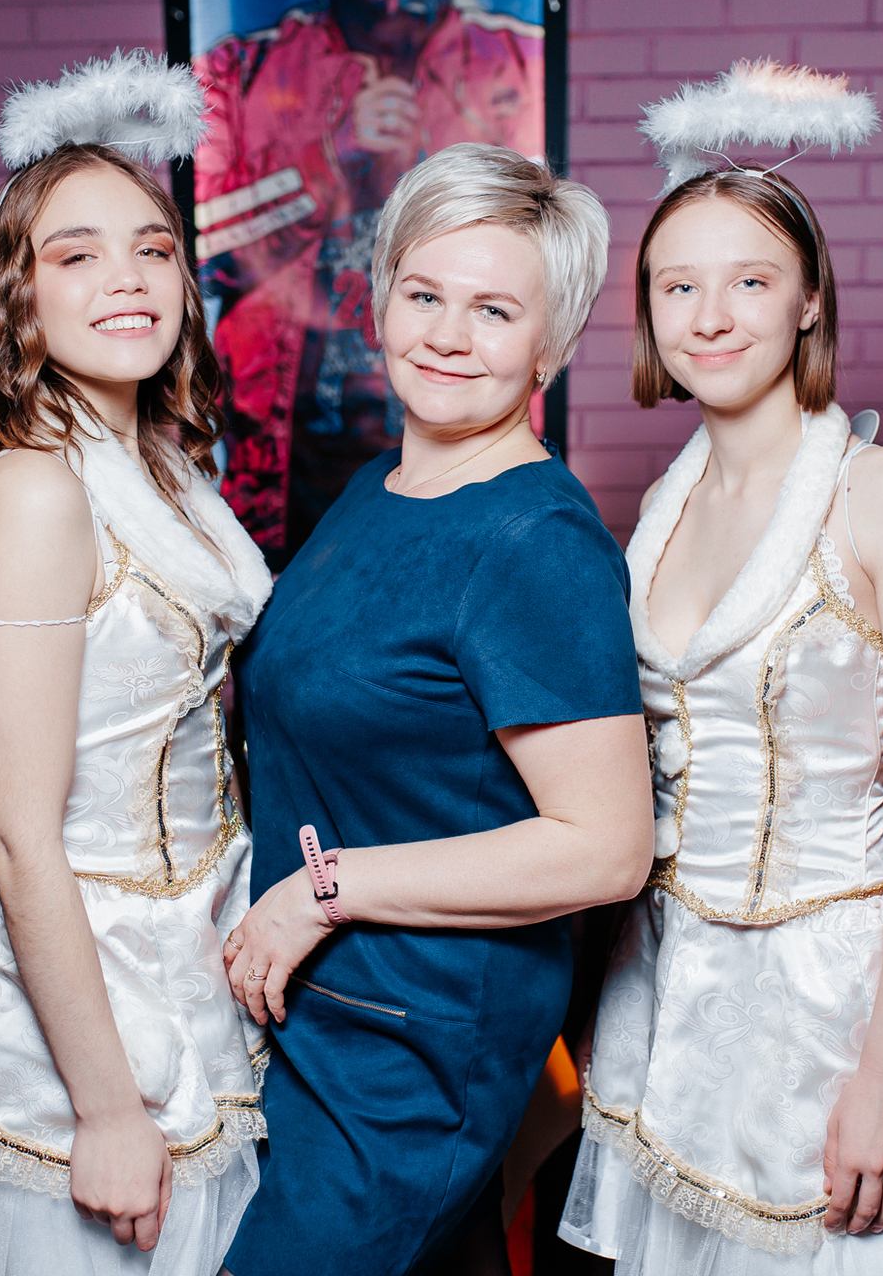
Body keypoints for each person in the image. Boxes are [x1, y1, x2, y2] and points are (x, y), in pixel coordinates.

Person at [556, 164, 883, 1274]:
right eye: (677, 285)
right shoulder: (663, 508)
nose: (709, 316)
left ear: (809, 301)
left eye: (750, 280)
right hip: (677, 991)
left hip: (844, 996)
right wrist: (616, 987)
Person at [217, 143, 652, 1275]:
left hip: (409, 1045)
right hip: (314, 1013)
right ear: (380, 303)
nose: (449, 335)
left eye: (494, 310)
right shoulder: (378, 486)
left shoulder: (536, 542)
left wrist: (323, 891)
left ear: (550, 344)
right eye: (424, 295)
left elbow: (607, 848)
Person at [0, 127, 276, 1274]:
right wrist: (105, 1108)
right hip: (90, 978)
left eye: (153, 248)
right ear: (23, 295)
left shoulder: (165, 466)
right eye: (78, 254)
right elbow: (17, 832)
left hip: (191, 940)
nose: (128, 278)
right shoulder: (35, 489)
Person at [192, 0, 546, 565]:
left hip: (472, 481)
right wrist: (325, 160)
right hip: (277, 477)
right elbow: (196, 251)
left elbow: (549, 261)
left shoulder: (514, 59)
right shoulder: (241, 71)